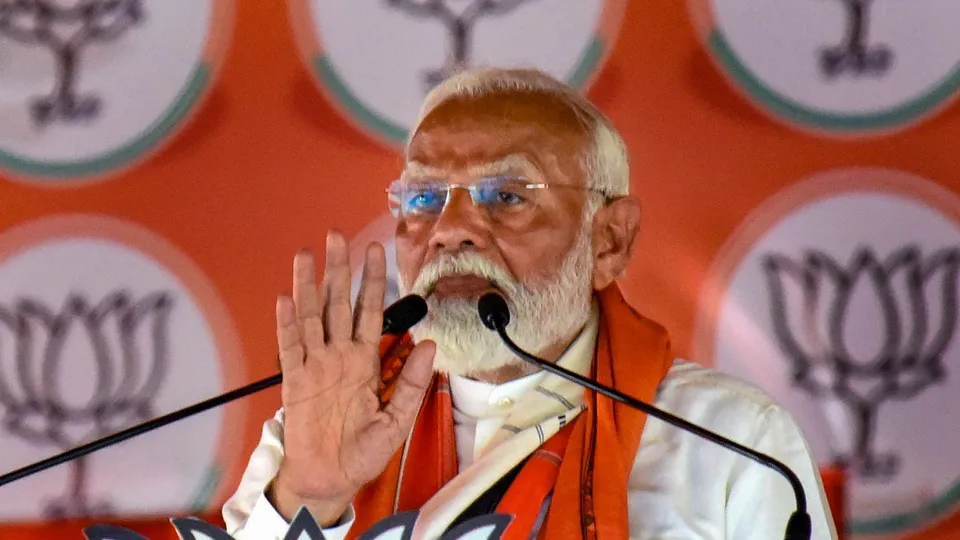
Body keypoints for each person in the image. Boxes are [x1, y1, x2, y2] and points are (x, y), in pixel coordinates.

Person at [221, 67, 838, 540]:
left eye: (506, 196)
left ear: (609, 239)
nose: (449, 230)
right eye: (423, 198)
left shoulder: (731, 442)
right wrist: (312, 496)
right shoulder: (326, 426)